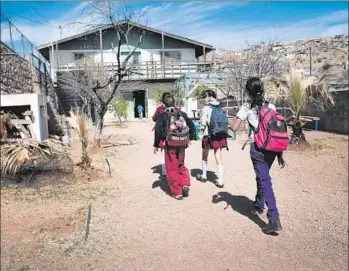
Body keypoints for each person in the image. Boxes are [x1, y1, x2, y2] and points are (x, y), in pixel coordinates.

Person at [230, 77, 286, 234]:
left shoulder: (247, 107)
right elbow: (276, 130)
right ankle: (259, 205)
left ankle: (274, 219)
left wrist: (236, 118)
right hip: (272, 149)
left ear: (248, 91)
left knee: (264, 180)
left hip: (258, 148)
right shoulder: (271, 106)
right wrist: (280, 154)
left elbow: (234, 128)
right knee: (262, 176)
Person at [153, 94, 196, 200]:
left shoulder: (163, 115)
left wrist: (157, 144)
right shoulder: (181, 113)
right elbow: (191, 124)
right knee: (181, 163)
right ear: (174, 102)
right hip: (182, 142)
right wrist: (190, 137)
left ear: (164, 104)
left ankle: (177, 191)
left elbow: (158, 130)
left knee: (172, 167)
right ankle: (185, 183)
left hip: (170, 143)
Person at [196, 89, 228, 188]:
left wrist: (200, 129)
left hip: (208, 134)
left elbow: (203, 123)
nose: (204, 99)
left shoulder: (206, 108)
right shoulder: (220, 106)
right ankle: (220, 180)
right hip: (220, 134)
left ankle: (204, 175)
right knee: (218, 155)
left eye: (205, 96)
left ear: (209, 97)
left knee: (205, 154)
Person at [152, 92, 171, 179]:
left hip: (162, 134)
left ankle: (164, 172)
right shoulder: (174, 108)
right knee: (172, 152)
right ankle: (172, 170)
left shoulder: (160, 109)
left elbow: (154, 118)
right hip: (173, 134)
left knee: (163, 152)